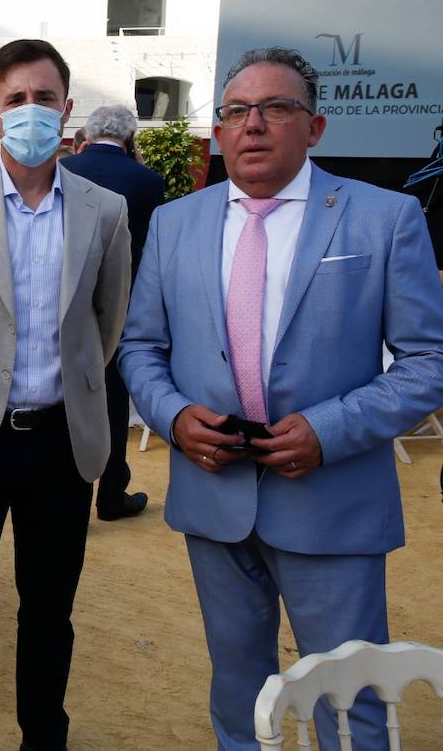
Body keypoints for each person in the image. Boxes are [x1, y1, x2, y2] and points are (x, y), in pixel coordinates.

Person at [120, 47, 443, 751]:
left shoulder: (384, 218)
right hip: (215, 498)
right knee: (241, 692)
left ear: (315, 126)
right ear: (218, 131)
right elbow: (140, 347)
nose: (254, 124)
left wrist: (329, 430)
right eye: (237, 110)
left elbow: (428, 362)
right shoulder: (175, 224)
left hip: (333, 501)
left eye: (277, 107)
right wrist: (174, 417)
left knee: (350, 701)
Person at [0, 39, 131, 751]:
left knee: (49, 609)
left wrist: (69, 387)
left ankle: (44, 735)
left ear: (67, 110)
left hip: (62, 443)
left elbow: (108, 321)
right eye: (16, 99)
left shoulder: (105, 210)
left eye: (45, 98)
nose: (31, 110)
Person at [61, 104, 165, 521]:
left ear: (88, 134)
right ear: (130, 136)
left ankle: (68, 495)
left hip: (66, 299)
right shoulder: (148, 180)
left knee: (64, 393)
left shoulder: (63, 170)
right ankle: (111, 492)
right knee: (114, 399)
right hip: (125, 299)